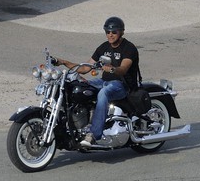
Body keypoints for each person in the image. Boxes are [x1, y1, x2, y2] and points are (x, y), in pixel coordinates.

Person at [56, 16, 141, 150]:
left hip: (122, 85)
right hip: (104, 81)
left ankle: (94, 134)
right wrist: (64, 62)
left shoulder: (129, 48)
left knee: (103, 93)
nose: (110, 35)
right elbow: (85, 68)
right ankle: (76, 125)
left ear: (121, 32)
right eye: (108, 32)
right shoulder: (104, 47)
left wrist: (112, 68)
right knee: (79, 87)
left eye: (114, 32)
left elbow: (123, 69)